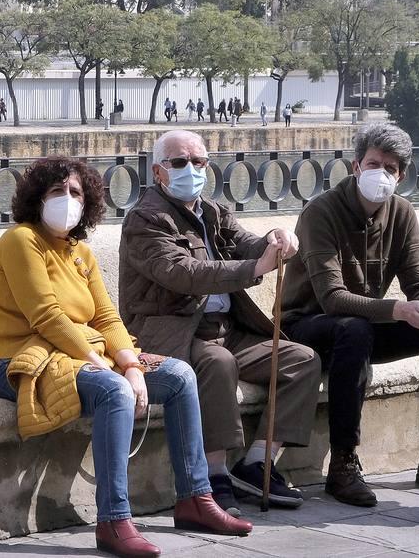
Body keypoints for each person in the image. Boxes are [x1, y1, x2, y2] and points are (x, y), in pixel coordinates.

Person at [0, 156, 251, 557]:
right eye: (57, 192)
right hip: (19, 359)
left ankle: (196, 498)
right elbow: (48, 317)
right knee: (114, 391)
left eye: (75, 192)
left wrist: (129, 361)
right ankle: (114, 519)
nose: (67, 199)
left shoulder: (80, 253)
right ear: (36, 199)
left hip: (75, 353)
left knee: (179, 376)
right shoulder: (21, 240)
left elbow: (107, 316)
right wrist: (106, 365)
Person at [280, 122, 419, 507]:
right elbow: (331, 299)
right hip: (307, 326)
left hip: (361, 327)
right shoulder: (321, 212)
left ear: (402, 175)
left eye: (391, 168)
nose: (381, 173)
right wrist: (398, 309)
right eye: (374, 163)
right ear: (356, 166)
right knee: (355, 330)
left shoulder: (402, 213)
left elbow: (418, 280)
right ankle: (343, 464)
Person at [120, 130, 321, 513]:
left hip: (227, 329)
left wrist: (273, 241)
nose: (190, 169)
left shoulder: (211, 210)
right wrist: (254, 267)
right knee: (217, 363)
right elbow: (183, 272)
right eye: (179, 162)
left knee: (301, 359)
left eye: (198, 162)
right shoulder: (145, 220)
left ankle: (257, 463)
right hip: (173, 332)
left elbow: (245, 242)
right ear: (158, 170)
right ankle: (214, 473)